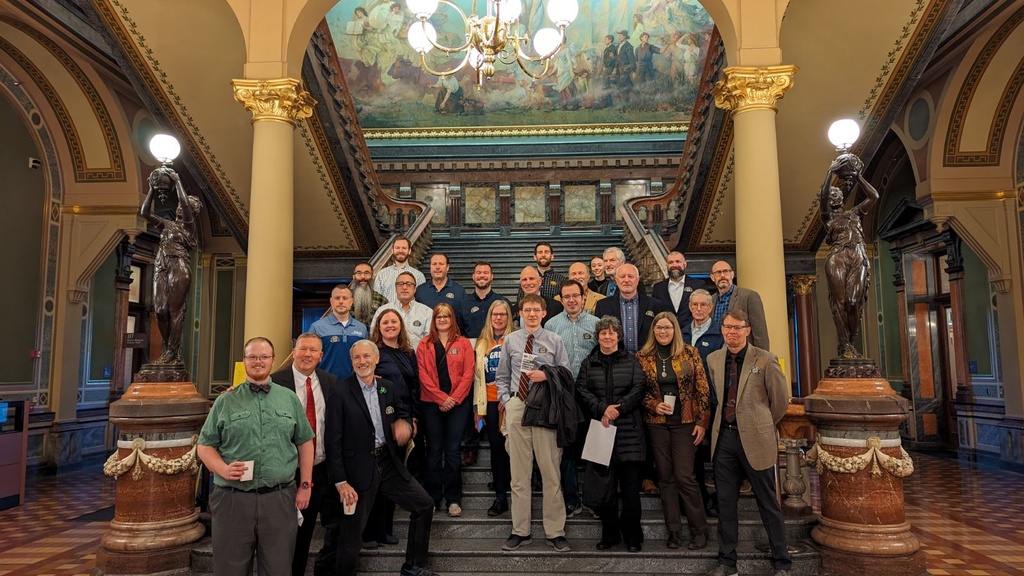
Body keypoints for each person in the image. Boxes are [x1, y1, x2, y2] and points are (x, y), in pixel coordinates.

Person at [196, 337, 314, 576]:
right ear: (245, 360)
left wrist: (305, 485)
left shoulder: (289, 398)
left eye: (263, 357)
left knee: (279, 569)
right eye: (252, 357)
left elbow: (305, 442)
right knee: (230, 570)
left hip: (279, 499)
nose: (258, 361)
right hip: (232, 500)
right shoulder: (225, 401)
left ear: (272, 360)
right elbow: (205, 446)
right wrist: (222, 469)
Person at [326, 340, 438, 576]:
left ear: (376, 359)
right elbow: (332, 440)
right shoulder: (340, 391)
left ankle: (413, 567)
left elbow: (403, 414)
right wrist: (340, 481)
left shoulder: (387, 387)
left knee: (424, 505)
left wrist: (406, 426)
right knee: (352, 530)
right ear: (352, 361)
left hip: (388, 463)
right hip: (356, 469)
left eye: (367, 356)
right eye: (357, 358)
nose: (362, 361)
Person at [705, 310, 791, 576]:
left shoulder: (765, 359)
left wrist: (760, 423)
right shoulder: (714, 359)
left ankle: (782, 562)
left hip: (756, 438)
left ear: (747, 330)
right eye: (727, 327)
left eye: (737, 327)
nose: (731, 332)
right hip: (725, 439)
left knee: (768, 503)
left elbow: (779, 403)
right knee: (726, 504)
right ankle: (727, 562)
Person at [495, 294, 573, 552]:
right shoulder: (511, 340)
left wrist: (546, 375)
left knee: (551, 471)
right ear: (520, 313)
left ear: (543, 313)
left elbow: (566, 375)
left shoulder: (554, 340)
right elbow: (502, 375)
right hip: (518, 406)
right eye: (526, 310)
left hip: (546, 410)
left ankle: (555, 531)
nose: (531, 314)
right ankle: (520, 530)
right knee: (519, 474)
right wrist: (507, 401)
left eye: (535, 310)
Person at [270, 333, 342, 576]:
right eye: (303, 349)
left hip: (325, 468)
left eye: (313, 351)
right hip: (291, 472)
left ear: (321, 356)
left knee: (336, 531)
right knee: (297, 536)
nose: (308, 355)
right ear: (294, 352)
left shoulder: (331, 382)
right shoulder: (275, 382)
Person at [637, 312, 710, 550]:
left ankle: (700, 531)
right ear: (653, 331)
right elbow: (639, 390)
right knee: (665, 477)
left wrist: (702, 422)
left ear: (675, 330)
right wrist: (653, 404)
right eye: (659, 328)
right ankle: (674, 531)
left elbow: (703, 389)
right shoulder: (643, 356)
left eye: (667, 328)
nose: (663, 332)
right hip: (657, 422)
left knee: (684, 476)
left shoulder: (690, 353)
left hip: (686, 422)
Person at [575, 315, 647, 552]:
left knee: (630, 490)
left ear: (619, 336)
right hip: (600, 429)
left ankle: (633, 537)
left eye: (611, 333)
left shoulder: (632, 361)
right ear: (598, 337)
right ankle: (610, 535)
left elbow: (639, 388)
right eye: (603, 333)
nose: (607, 337)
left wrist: (618, 408)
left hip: (628, 432)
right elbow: (582, 390)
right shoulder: (588, 363)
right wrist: (601, 408)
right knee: (603, 490)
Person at [363, 309, 421, 549]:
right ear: (378, 326)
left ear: (401, 325)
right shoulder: (374, 353)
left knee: (393, 477)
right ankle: (368, 532)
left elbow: (415, 386)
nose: (389, 325)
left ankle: (386, 529)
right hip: (380, 420)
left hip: (404, 419)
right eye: (385, 322)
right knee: (373, 479)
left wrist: (413, 419)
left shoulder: (408, 353)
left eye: (393, 321)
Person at [544, 279, 599, 518]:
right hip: (564, 396)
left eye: (575, 295)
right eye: (566, 297)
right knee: (567, 450)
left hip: (592, 396)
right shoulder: (551, 325)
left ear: (583, 296)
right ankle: (572, 500)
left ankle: (595, 500)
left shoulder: (597, 324)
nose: (571, 300)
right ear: (561, 299)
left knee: (595, 449)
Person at [416, 302, 475, 517]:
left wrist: (454, 398)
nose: (442, 319)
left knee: (452, 452)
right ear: (434, 320)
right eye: (438, 316)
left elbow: (469, 374)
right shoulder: (424, 344)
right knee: (433, 452)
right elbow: (422, 376)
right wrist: (441, 398)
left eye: (446, 316)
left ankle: (453, 499)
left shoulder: (464, 344)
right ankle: (432, 498)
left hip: (458, 405)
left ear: (452, 319)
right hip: (431, 404)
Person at [140, 166, 202, 365]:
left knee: (176, 311)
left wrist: (177, 182)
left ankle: (172, 354)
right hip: (161, 264)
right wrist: (151, 188)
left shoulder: (188, 227)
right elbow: (145, 213)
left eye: (186, 208)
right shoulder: (167, 225)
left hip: (179, 265)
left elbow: (184, 204)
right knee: (159, 309)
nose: (180, 208)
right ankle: (169, 350)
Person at [819, 152, 878, 358]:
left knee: (854, 301)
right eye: (830, 195)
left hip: (858, 256)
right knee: (841, 302)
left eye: (837, 194)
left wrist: (859, 175)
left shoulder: (855, 213)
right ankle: (845, 346)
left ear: (842, 198)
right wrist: (830, 172)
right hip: (837, 256)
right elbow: (824, 196)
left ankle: (849, 343)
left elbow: (874, 196)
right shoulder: (827, 218)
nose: (833, 196)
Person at [680, 288, 724, 518]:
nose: (698, 309)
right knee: (694, 454)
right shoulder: (683, 332)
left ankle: (719, 499)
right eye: (694, 305)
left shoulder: (720, 334)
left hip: (715, 401)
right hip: (688, 404)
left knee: (717, 454)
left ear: (710, 308)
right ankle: (697, 500)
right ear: (689, 306)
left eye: (703, 305)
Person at [472, 299, 515, 517]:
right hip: (488, 402)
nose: (498, 318)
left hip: (511, 402)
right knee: (496, 449)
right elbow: (477, 379)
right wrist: (477, 410)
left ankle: (515, 491)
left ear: (509, 318)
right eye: (494, 314)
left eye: (503, 314)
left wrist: (507, 398)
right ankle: (500, 497)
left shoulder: (516, 339)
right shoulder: (481, 343)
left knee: (515, 449)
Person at [594, 263, 669, 354]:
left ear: (637, 280)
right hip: (615, 361)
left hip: (647, 360)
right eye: (622, 276)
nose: (626, 280)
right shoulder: (603, 305)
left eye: (630, 276)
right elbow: (598, 336)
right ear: (616, 280)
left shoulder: (655, 305)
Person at [311, 285, 368, 380]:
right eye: (337, 298)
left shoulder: (361, 328)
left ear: (351, 302)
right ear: (331, 301)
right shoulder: (317, 327)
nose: (341, 301)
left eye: (345, 298)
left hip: (354, 385)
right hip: (325, 384)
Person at [709, 261, 769, 350]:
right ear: (712, 277)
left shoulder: (749, 296)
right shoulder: (710, 300)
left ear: (732, 274)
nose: (722, 275)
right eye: (718, 272)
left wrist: (761, 360)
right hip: (717, 355)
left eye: (726, 271)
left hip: (744, 355)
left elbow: (760, 333)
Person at [373, 271, 434, 348]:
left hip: (417, 358)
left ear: (415, 289)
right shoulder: (382, 310)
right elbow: (375, 337)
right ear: (396, 288)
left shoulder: (427, 312)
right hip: (389, 358)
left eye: (409, 284)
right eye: (400, 284)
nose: (404, 287)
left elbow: (430, 342)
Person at [651, 251, 706, 328]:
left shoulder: (698, 285)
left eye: (678, 261)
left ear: (685, 264)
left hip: (691, 332)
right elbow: (656, 313)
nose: (674, 265)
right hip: (667, 333)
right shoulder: (658, 288)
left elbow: (703, 309)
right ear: (667, 266)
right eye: (671, 262)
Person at [460, 260, 509, 341]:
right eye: (478, 273)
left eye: (485, 272)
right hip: (471, 350)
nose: (482, 275)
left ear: (492, 276)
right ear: (473, 276)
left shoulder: (502, 302)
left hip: (497, 349)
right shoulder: (463, 304)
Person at [375, 236, 426, 304]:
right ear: (392, 250)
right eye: (397, 248)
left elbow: (421, 301)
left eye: (404, 248)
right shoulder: (382, 274)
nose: (400, 251)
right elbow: (376, 301)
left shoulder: (419, 275)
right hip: (387, 313)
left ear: (409, 251)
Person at [349, 262, 389, 327]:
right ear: (354, 277)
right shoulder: (344, 299)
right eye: (359, 273)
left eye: (366, 273)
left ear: (373, 277)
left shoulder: (382, 301)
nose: (363, 277)